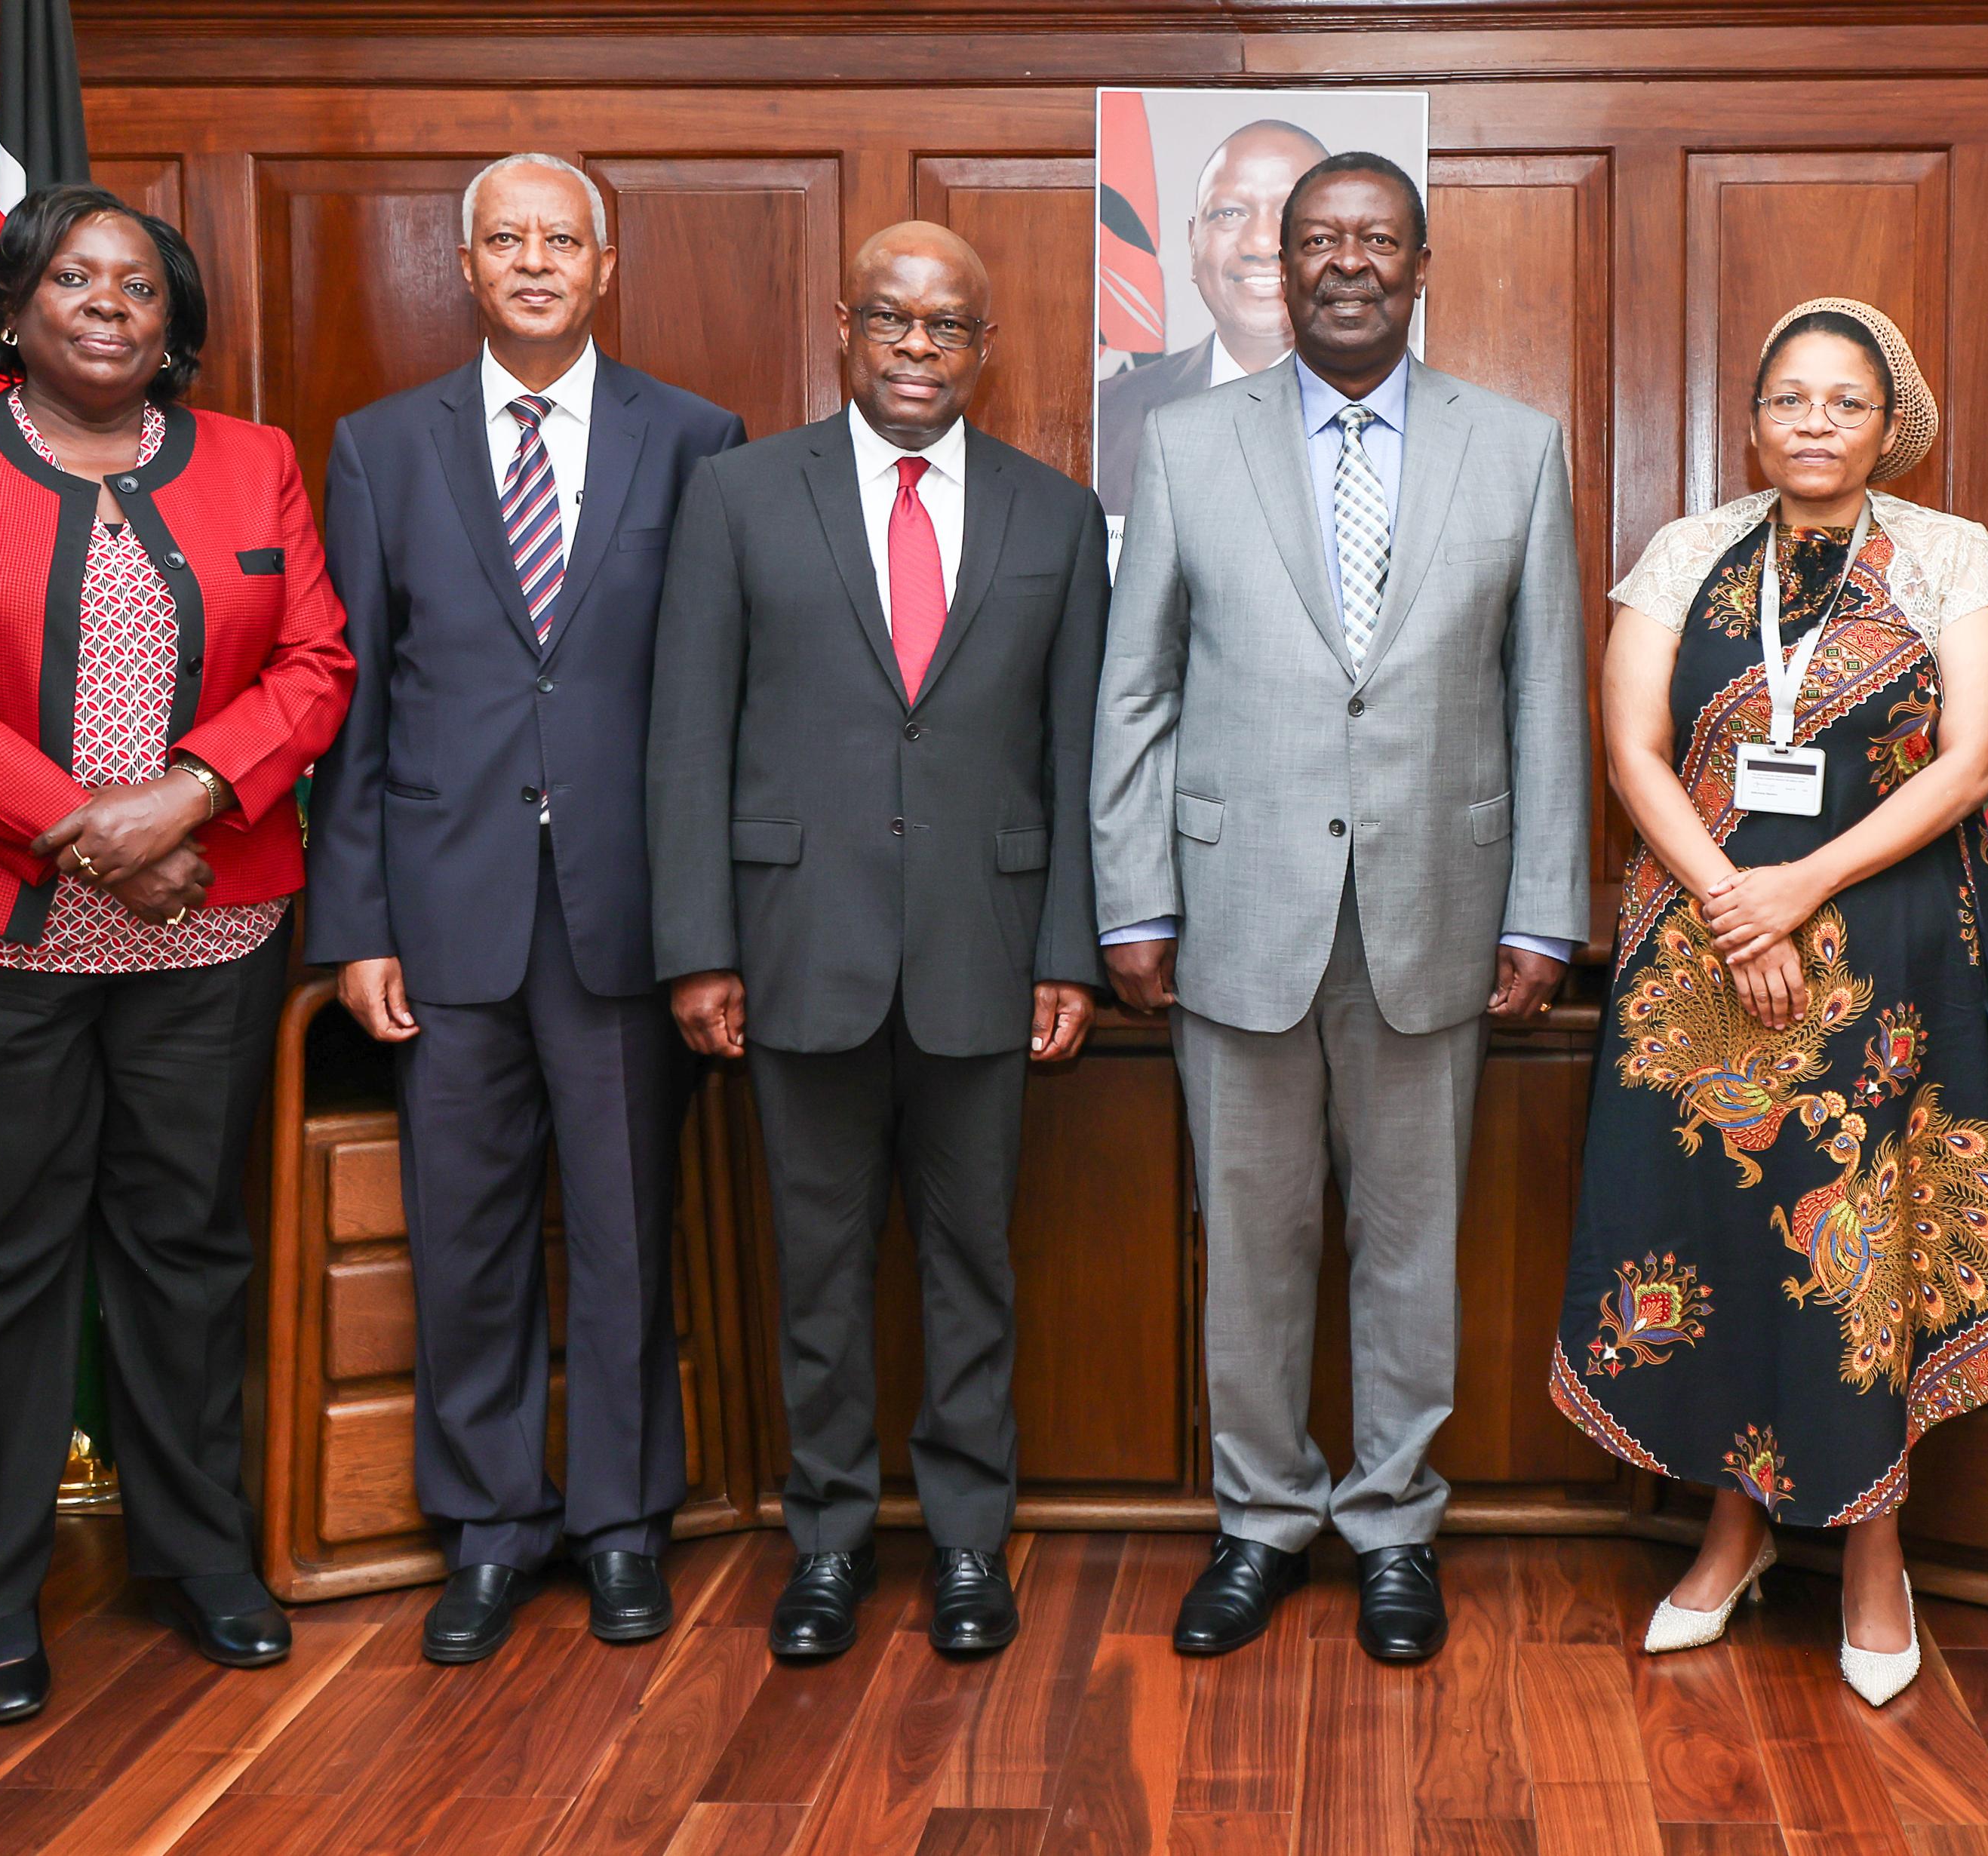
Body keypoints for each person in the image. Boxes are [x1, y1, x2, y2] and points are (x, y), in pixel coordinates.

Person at [0, 185, 355, 1723]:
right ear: (14, 310)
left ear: (173, 322)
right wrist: (89, 830)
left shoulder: (252, 462)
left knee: (189, 1250)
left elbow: (319, 662)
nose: (110, 302)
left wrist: (192, 795)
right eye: (74, 277)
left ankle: (195, 1559)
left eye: (139, 283)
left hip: (212, 929)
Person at [1093, 150, 1590, 1665]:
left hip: (1435, 916)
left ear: (1419, 263)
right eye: (1318, 240)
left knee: (1407, 1246)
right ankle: (1258, 1523)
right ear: (1274, 268)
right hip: (1232, 915)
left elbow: (1541, 695)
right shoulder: (1182, 446)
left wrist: (1544, 912)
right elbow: (1137, 691)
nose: (1346, 262)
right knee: (1249, 1244)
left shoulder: (1512, 447)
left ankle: (1391, 1530)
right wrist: (1130, 898)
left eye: (1376, 238)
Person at [1549, 297, 1988, 1708]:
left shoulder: (1953, 557)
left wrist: (1799, 890)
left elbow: (1971, 760)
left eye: (1848, 403)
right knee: (1714, 1242)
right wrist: (1730, 901)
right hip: (1698, 959)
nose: (1816, 424)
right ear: (1752, 418)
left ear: (1890, 428)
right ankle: (1734, 1531)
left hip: (1888, 954)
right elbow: (1634, 745)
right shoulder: (1685, 553)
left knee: (1864, 1251)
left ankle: (1874, 1551)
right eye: (1790, 400)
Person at [303, 153, 745, 1665]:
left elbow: (713, 707)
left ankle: (621, 1526)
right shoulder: (378, 448)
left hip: (628, 917)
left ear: (604, 265)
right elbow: (351, 702)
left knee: (626, 1232)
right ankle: (488, 1528)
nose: (539, 262)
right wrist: (357, 924)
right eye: (511, 241)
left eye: (565, 240)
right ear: (468, 264)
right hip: (447, 915)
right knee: (466, 1235)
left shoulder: (693, 439)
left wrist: (709, 930)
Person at [649, 221, 1108, 1662]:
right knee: (820, 1266)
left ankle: (972, 1544)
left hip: (987, 947)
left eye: (948, 327)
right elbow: (686, 739)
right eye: (893, 322)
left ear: (986, 349)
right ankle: (830, 1543)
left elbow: (1078, 749)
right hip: (795, 951)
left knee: (975, 1267)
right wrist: (697, 948)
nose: (918, 349)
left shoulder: (1056, 513)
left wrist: (1069, 951)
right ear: (844, 328)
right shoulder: (735, 497)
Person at [1094, 118, 1327, 520]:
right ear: (1193, 243)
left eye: (1295, 213)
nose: (1260, 243)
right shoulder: (1107, 413)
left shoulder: (1390, 415)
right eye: (1230, 213)